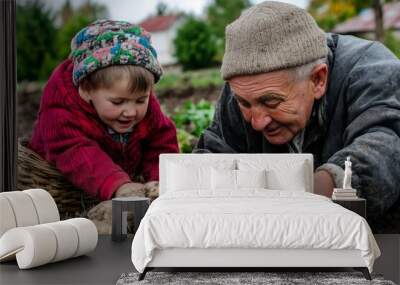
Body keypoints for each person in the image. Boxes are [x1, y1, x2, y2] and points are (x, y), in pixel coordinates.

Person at [195, 1, 400, 229]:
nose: (257, 122)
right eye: (245, 103)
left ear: (318, 80)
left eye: (271, 101)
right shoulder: (246, 88)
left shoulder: (372, 71)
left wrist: (312, 191)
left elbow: (385, 145)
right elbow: (215, 155)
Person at [29, 20, 179, 230]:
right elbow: (76, 152)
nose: (130, 111)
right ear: (86, 90)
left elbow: (161, 140)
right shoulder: (61, 109)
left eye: (140, 100)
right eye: (117, 102)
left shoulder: (138, 98)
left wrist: (159, 182)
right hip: (67, 179)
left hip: (122, 167)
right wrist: (118, 185)